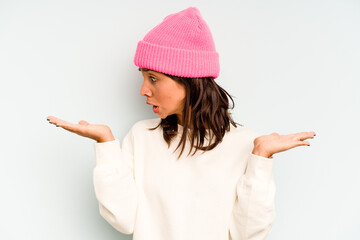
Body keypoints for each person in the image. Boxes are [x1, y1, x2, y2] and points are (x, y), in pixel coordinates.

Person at [46, 6, 316, 240]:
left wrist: (261, 158)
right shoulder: (142, 136)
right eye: (143, 77)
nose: (143, 90)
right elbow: (123, 219)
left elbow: (248, 234)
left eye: (153, 78)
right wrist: (105, 143)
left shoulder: (246, 144)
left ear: (188, 80)